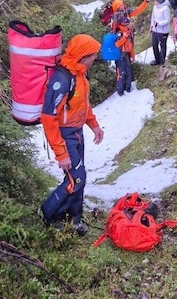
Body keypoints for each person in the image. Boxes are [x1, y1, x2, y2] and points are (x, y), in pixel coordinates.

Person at [39, 34, 105, 236]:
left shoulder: (80, 74)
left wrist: (94, 125)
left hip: (77, 133)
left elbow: (82, 104)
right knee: (75, 179)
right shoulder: (61, 79)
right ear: (83, 56)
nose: (95, 58)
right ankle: (48, 213)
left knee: (79, 177)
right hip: (64, 135)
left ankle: (74, 218)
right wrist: (61, 153)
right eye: (93, 55)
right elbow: (48, 117)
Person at [109, 0, 151, 96]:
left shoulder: (125, 13)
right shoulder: (117, 28)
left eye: (123, 4)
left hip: (127, 50)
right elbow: (116, 44)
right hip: (120, 52)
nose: (129, 24)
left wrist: (146, 1)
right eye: (121, 5)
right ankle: (120, 91)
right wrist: (124, 36)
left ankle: (127, 89)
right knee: (121, 72)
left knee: (128, 70)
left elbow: (138, 10)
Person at [149, 0, 170, 66]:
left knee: (162, 46)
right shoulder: (155, 7)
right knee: (154, 45)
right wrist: (151, 26)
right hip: (155, 29)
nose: (154, 2)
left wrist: (159, 24)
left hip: (163, 31)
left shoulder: (166, 8)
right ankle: (157, 60)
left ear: (159, 2)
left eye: (156, 1)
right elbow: (153, 17)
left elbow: (167, 20)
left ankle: (162, 61)